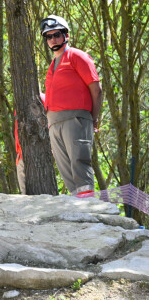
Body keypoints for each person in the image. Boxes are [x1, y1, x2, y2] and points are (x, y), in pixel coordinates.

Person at [40, 15, 102, 197]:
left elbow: (96, 89)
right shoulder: (52, 64)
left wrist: (93, 118)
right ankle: (77, 204)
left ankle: (88, 208)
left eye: (56, 35)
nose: (53, 40)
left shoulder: (77, 56)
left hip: (76, 119)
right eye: (49, 37)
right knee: (65, 168)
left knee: (79, 163)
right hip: (54, 123)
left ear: (66, 35)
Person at [15, 93, 46, 195]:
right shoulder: (46, 99)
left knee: (26, 191)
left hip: (27, 150)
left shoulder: (24, 101)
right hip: (22, 151)